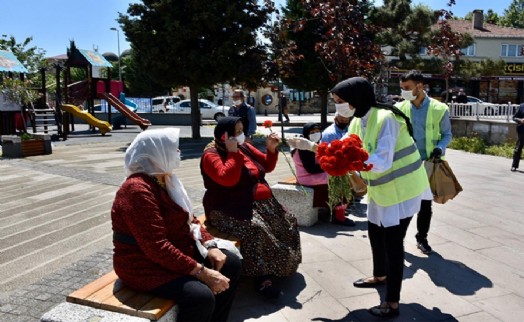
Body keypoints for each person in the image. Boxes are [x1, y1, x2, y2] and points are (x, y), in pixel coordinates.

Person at [111, 128, 242, 322]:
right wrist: (201, 272)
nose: (179, 153)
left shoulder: (166, 179)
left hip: (176, 251)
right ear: (156, 153)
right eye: (174, 149)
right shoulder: (136, 190)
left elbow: (190, 219)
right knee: (199, 297)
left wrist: (210, 245)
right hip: (143, 266)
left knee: (230, 263)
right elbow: (156, 247)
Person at [330, 77, 431, 318]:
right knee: (375, 232)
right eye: (335, 102)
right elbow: (344, 145)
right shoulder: (358, 119)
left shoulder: (386, 118)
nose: (339, 107)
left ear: (356, 98)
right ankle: (380, 275)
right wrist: (320, 151)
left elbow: (382, 161)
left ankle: (392, 303)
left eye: (341, 101)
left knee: (393, 243)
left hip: (404, 190)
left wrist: (346, 161)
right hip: (383, 188)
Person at [200, 117, 302, 299]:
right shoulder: (211, 154)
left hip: (253, 203)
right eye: (237, 131)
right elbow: (227, 178)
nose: (242, 135)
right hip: (226, 207)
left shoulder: (244, 147)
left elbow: (266, 166)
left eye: (242, 130)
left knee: (288, 220)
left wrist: (271, 149)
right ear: (224, 136)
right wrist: (233, 154)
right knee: (256, 230)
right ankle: (261, 276)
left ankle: (281, 266)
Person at [397, 70, 453, 255]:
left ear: (419, 87)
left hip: (429, 163)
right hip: (406, 163)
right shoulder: (400, 108)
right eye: (402, 88)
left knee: (425, 205)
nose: (403, 92)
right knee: (403, 203)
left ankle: (422, 238)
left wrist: (440, 148)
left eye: (407, 88)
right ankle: (398, 239)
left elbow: (447, 134)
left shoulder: (439, 108)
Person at [318, 102, 358, 226]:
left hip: (344, 164)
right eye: (342, 118)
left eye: (347, 118)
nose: (345, 120)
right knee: (341, 184)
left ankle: (342, 208)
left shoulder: (347, 129)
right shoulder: (329, 133)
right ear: (336, 118)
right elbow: (325, 153)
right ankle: (338, 215)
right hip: (333, 166)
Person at [291, 123, 329, 211]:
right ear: (306, 134)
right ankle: (338, 213)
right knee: (337, 178)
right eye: (312, 132)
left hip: (311, 177)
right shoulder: (304, 147)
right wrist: (329, 167)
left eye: (318, 131)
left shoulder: (312, 145)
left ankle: (335, 209)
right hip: (308, 178)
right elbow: (311, 169)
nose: (316, 134)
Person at [511, 103, 524, 171]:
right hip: (522, 131)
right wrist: (520, 120)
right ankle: (514, 165)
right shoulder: (522, 106)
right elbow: (514, 117)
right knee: (518, 148)